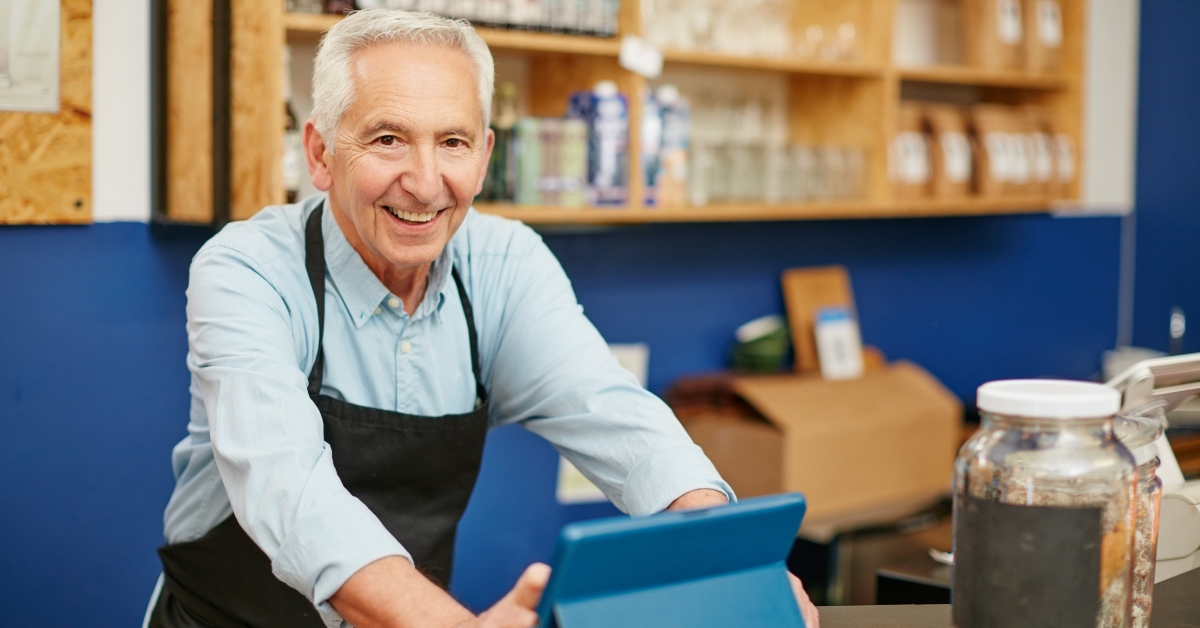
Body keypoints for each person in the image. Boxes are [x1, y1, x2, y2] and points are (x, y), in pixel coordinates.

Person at [147, 9, 819, 628]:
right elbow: (289, 493)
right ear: (320, 154)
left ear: (486, 155)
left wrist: (733, 565)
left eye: (453, 142)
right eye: (388, 139)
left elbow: (623, 422)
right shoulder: (247, 269)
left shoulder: (504, 263)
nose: (425, 179)